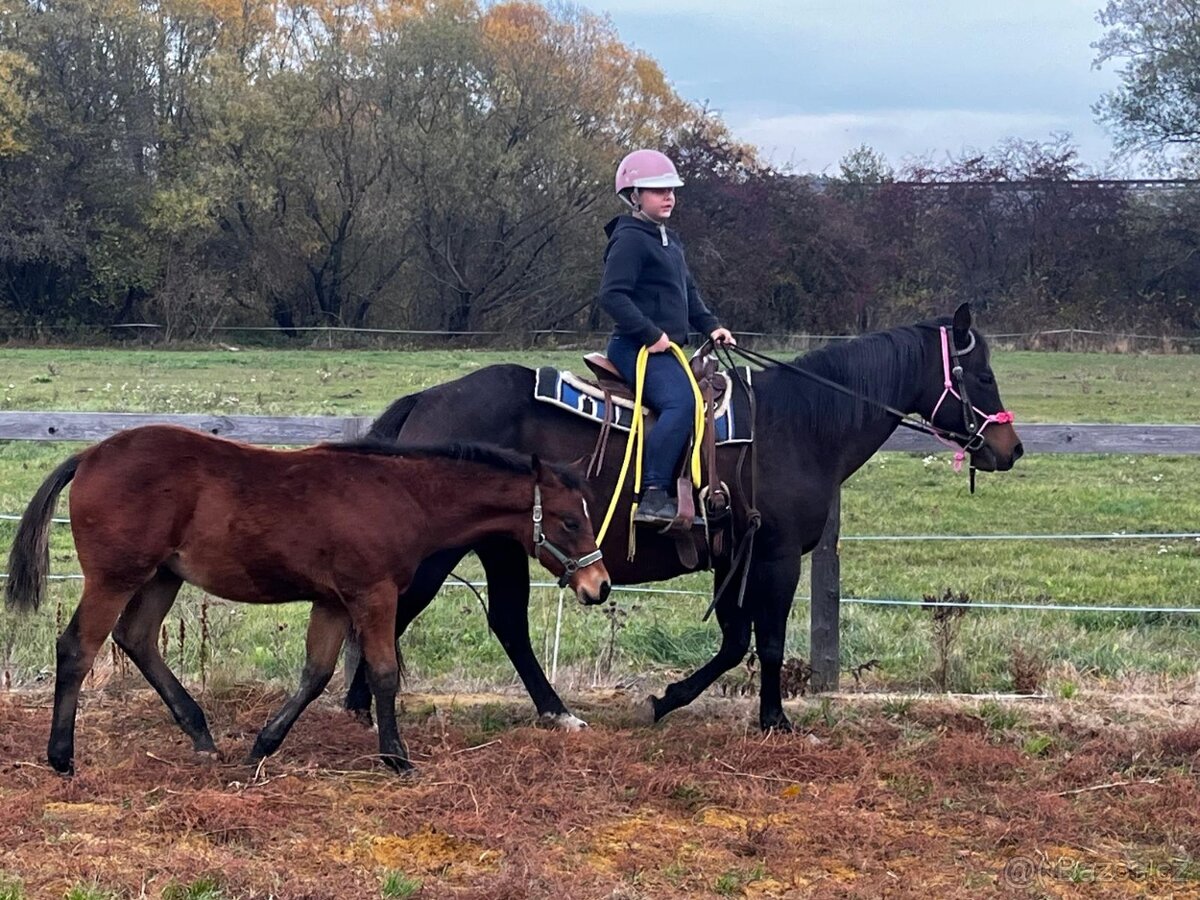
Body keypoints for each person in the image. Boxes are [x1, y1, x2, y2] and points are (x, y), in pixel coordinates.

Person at [597, 149, 736, 526]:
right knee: (682, 404)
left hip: (665, 351)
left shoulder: (670, 241)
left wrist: (711, 326)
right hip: (635, 348)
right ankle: (654, 494)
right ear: (634, 196)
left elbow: (687, 293)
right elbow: (612, 295)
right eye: (658, 191)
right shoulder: (629, 240)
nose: (669, 197)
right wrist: (650, 333)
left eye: (671, 190)